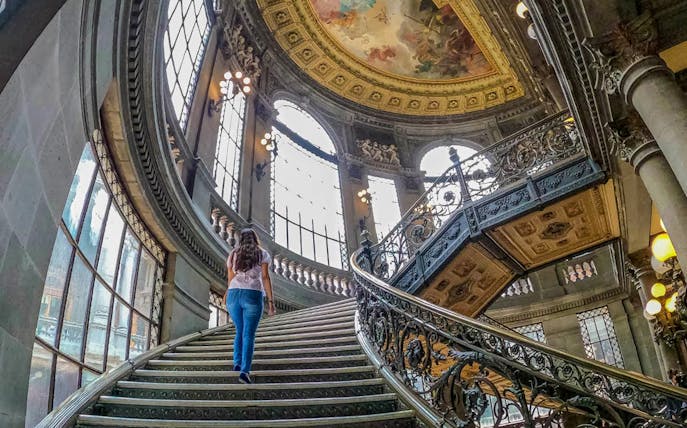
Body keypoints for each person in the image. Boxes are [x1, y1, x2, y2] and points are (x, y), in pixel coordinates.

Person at [222, 228, 276, 384]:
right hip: (252, 294)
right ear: (255, 239)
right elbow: (265, 277)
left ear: (241, 239)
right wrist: (271, 302)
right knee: (248, 334)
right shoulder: (262, 253)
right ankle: (244, 371)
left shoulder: (233, 254)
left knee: (239, 330)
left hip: (233, 294)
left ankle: (237, 363)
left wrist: (227, 292)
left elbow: (231, 277)